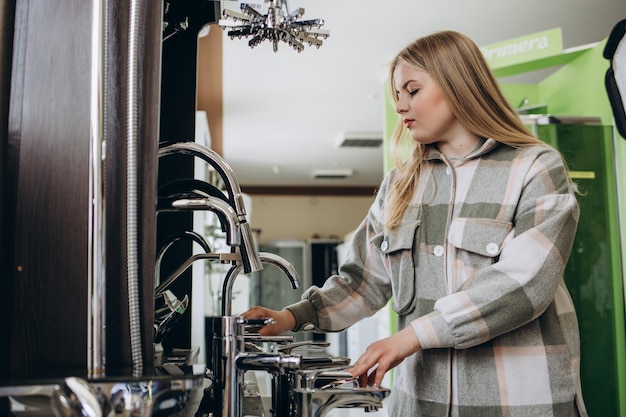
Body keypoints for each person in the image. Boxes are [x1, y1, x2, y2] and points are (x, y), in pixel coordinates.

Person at [243, 30, 587, 417]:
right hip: (423, 402)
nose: (401, 107)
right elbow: (364, 280)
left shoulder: (534, 167)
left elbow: (524, 283)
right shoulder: (399, 184)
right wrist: (293, 316)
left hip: (522, 403)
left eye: (413, 90)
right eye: (397, 96)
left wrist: (414, 336)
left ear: (459, 84)